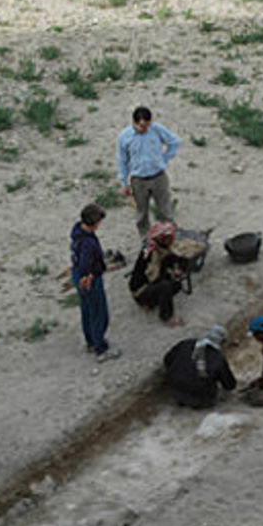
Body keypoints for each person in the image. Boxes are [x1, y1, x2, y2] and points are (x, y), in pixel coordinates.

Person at [117, 106, 182, 239]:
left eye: (148, 125)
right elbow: (122, 161)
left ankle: (169, 237)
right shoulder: (125, 137)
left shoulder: (156, 130)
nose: (145, 129)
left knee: (166, 210)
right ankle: (146, 239)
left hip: (158, 177)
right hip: (138, 180)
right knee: (142, 213)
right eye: (142, 126)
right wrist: (124, 183)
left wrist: (164, 159)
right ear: (134, 122)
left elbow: (175, 142)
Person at [70, 204, 120, 362]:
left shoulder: (78, 232)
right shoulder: (88, 243)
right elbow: (85, 262)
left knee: (87, 310)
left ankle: (90, 341)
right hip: (89, 279)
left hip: (77, 274)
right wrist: (89, 275)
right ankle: (101, 349)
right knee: (99, 313)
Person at [163, 325, 237, 409]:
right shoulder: (218, 358)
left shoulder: (185, 343)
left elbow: (167, 360)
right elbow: (230, 385)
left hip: (173, 390)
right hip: (200, 399)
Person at [129, 222, 188, 326]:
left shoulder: (161, 248)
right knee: (166, 286)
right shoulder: (150, 252)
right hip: (141, 289)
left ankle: (151, 302)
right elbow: (153, 276)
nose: (172, 240)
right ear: (162, 239)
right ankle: (166, 317)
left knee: (177, 285)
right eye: (170, 238)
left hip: (152, 281)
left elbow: (174, 259)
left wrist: (178, 268)